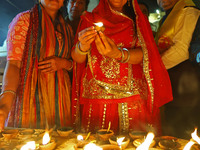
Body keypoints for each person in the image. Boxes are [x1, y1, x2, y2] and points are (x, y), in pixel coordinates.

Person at [71, 0, 172, 135]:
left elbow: (147, 55)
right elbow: (77, 59)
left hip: (132, 97)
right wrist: (82, 46)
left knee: (134, 144)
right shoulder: (90, 19)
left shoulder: (138, 20)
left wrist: (118, 54)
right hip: (98, 98)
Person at [0, 0, 73, 130]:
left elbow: (72, 64)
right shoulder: (25, 20)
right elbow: (14, 64)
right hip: (31, 98)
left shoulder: (66, 27)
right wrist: (5, 105)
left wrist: (63, 63)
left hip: (60, 98)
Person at [156, 0, 200, 139]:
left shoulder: (188, 10)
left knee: (184, 133)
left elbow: (181, 51)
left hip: (186, 85)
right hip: (171, 82)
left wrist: (152, 68)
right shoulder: (166, 16)